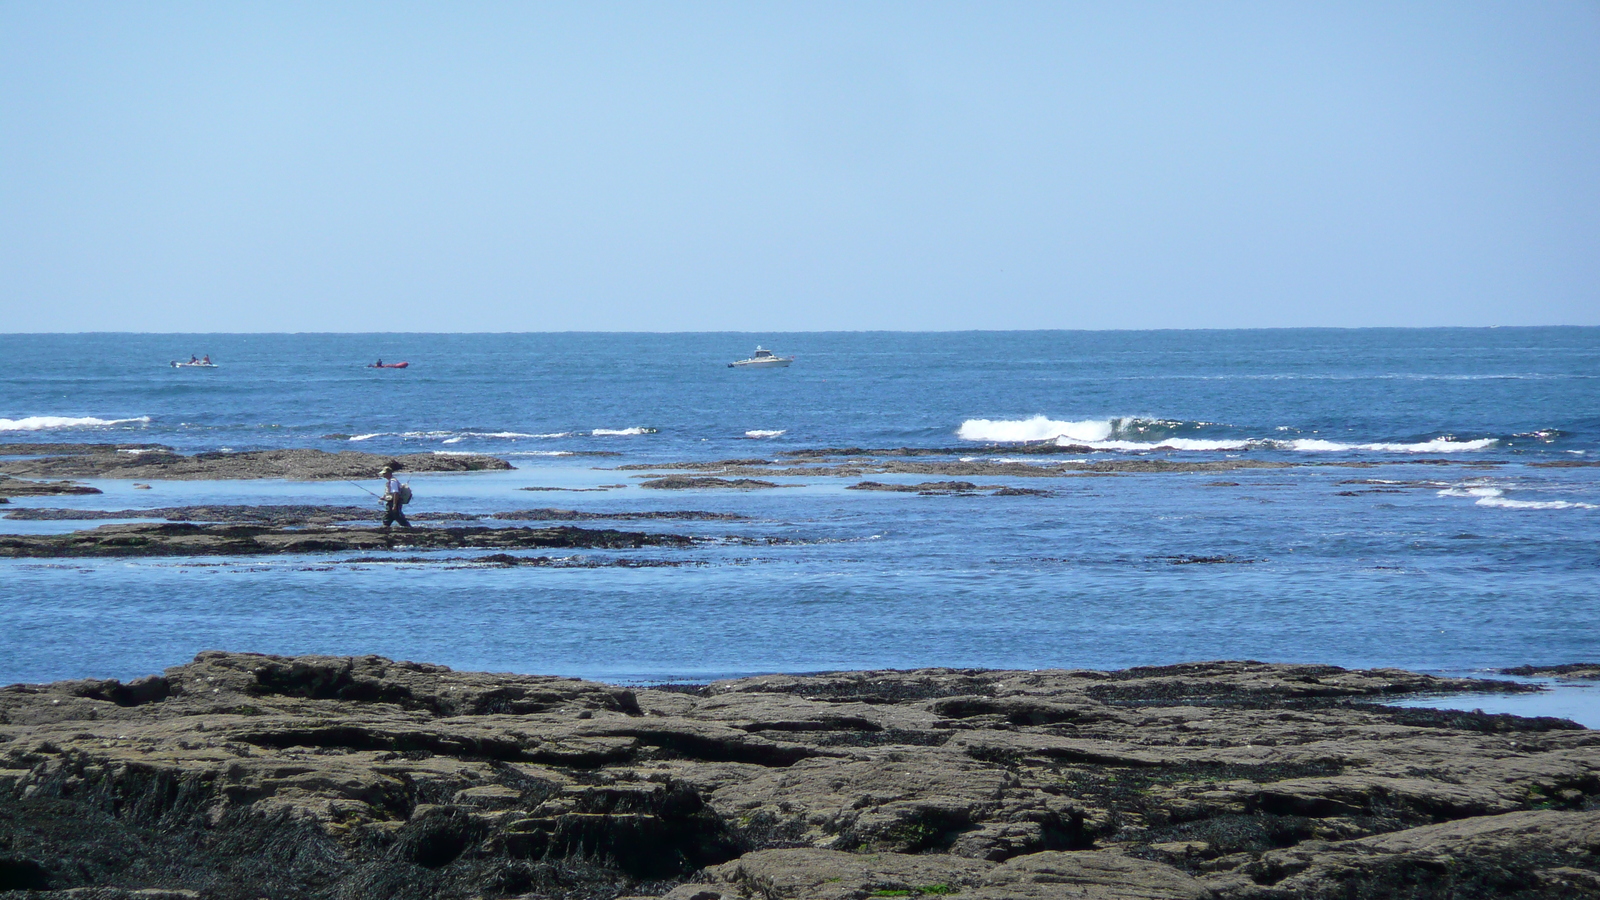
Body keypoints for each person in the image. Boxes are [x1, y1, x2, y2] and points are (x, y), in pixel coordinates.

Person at [379, 464, 411, 529]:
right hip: (392, 502)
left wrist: (394, 505)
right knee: (391, 516)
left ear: (389, 473)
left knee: (396, 516)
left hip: (393, 502)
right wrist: (384, 497)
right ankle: (386, 527)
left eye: (385, 474)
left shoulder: (393, 482)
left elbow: (395, 493)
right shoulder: (391, 481)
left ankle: (408, 528)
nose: (384, 475)